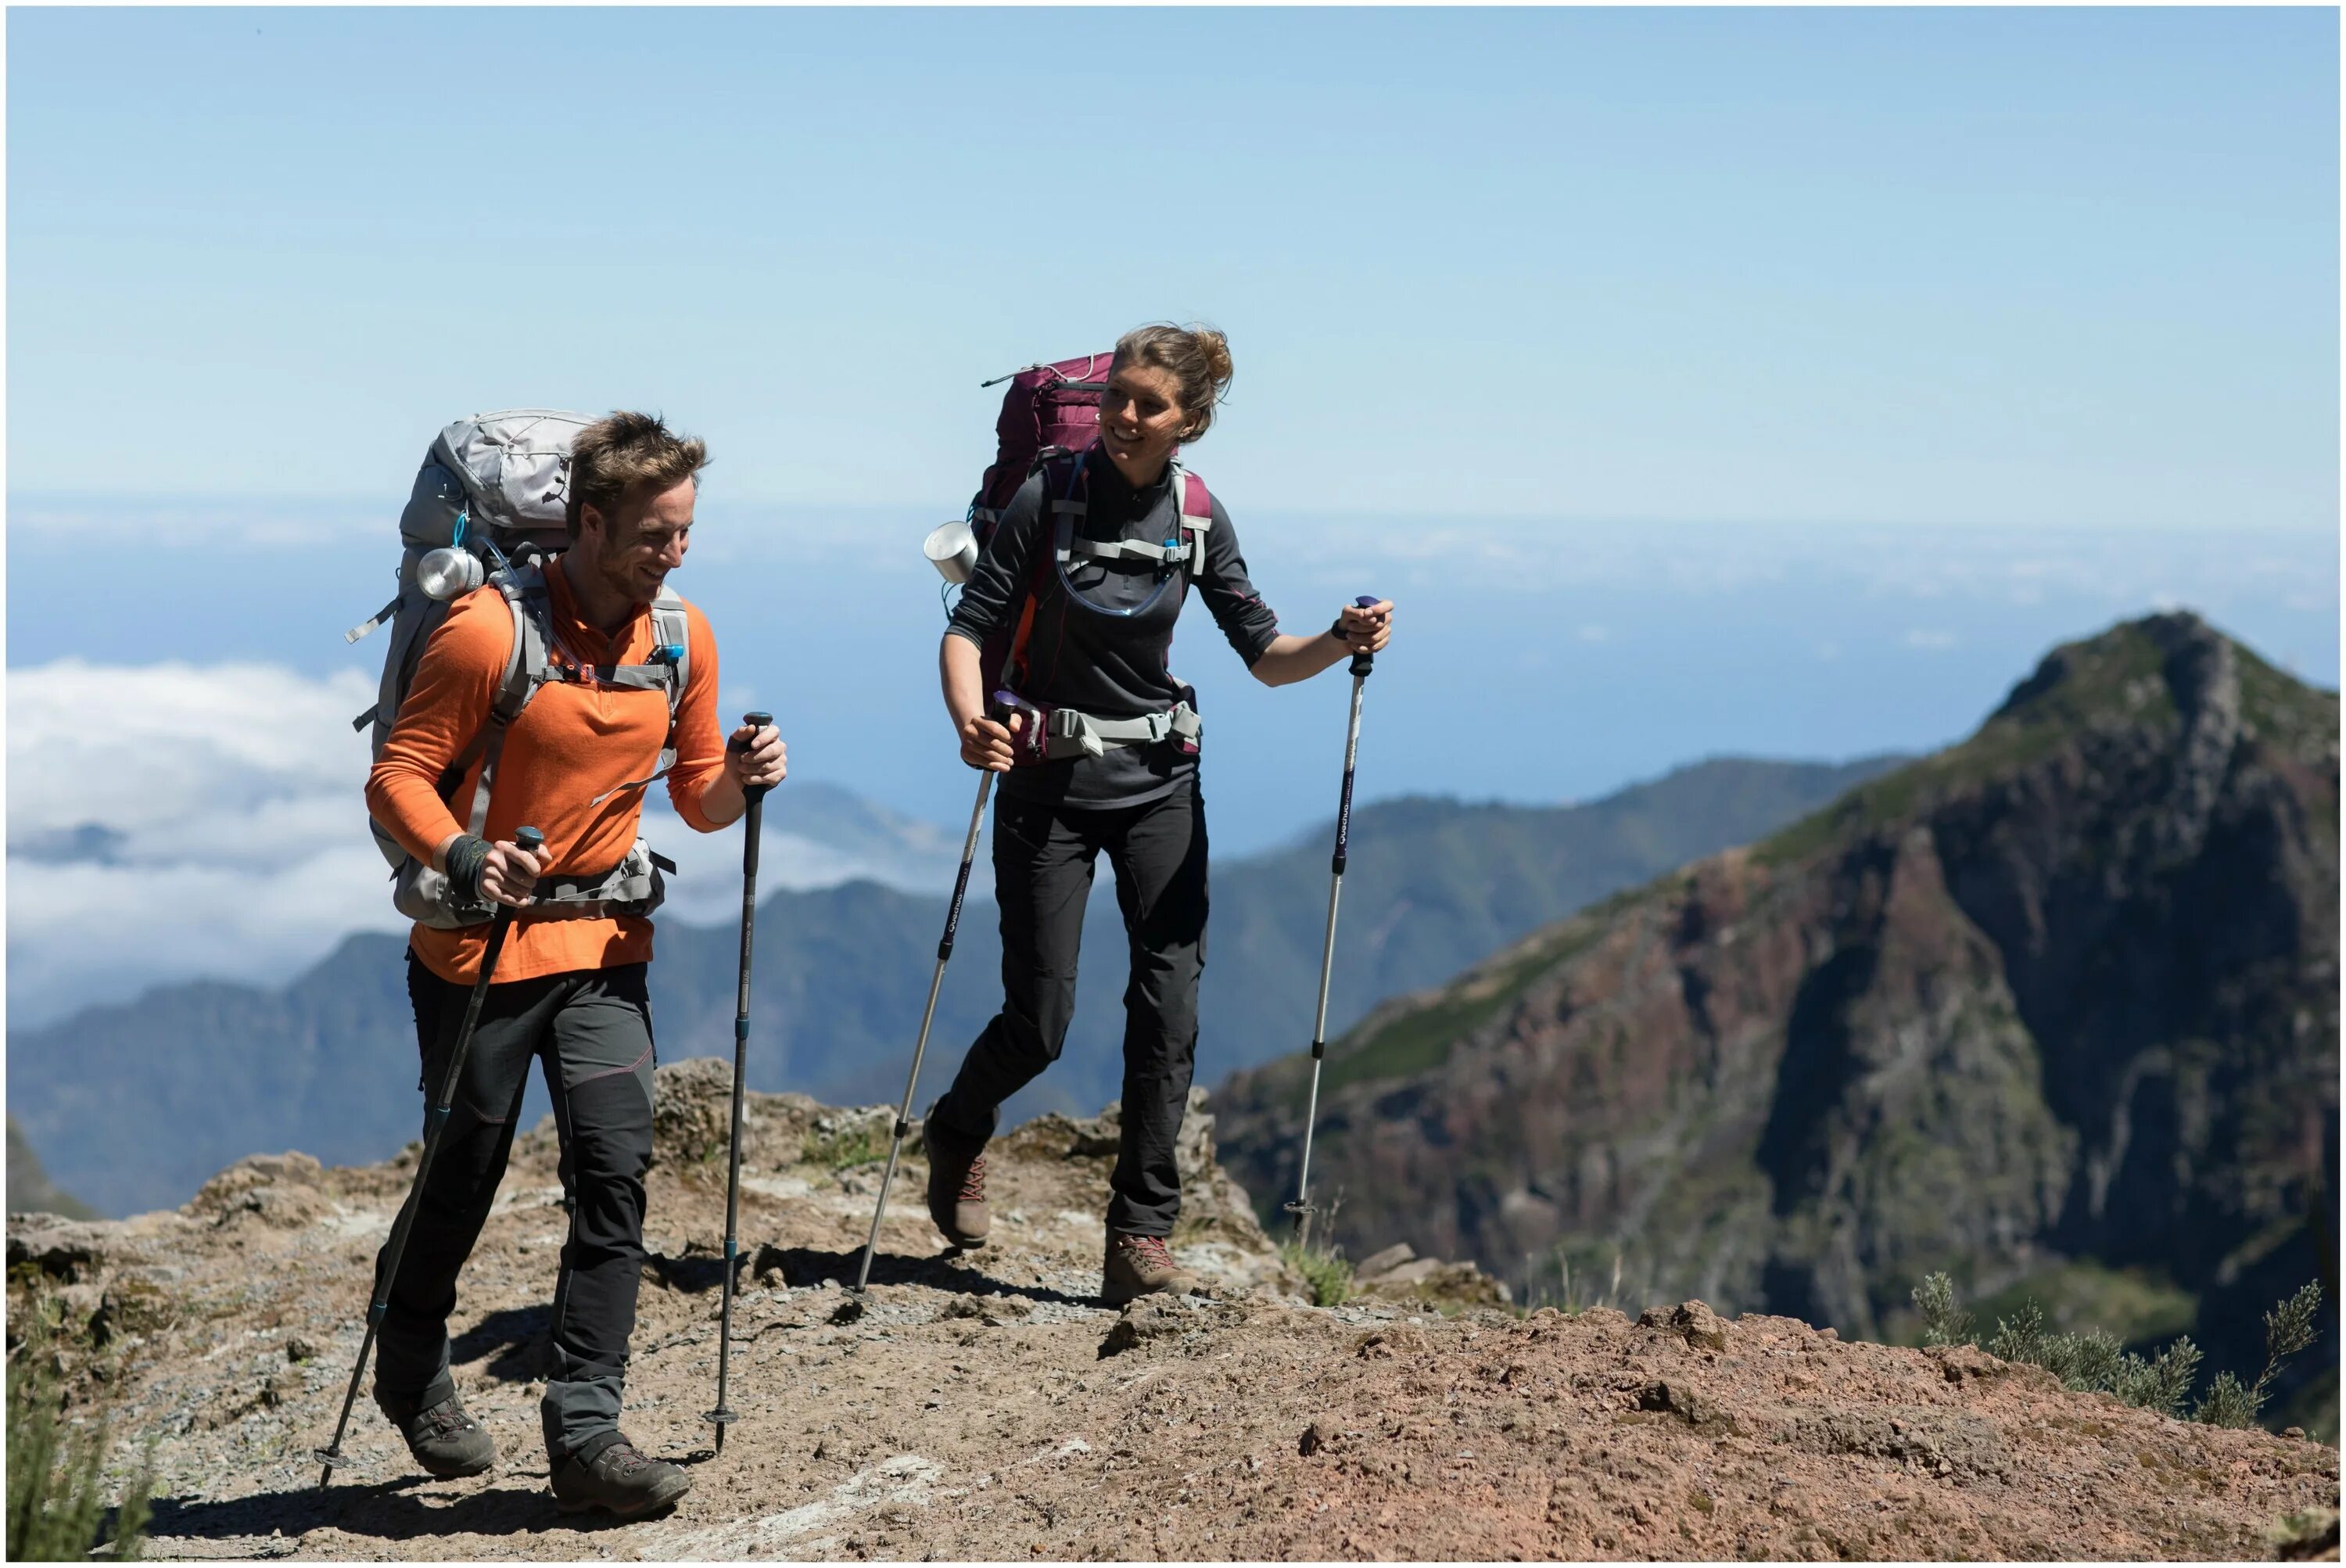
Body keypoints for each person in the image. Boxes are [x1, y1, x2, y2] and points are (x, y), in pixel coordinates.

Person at [363, 411, 785, 1516]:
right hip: (478, 952)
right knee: (465, 1172)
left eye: (684, 531)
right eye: (653, 534)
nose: (673, 554)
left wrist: (745, 775)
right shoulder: (486, 633)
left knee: (615, 1171)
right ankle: (408, 1353)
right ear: (588, 523)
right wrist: (466, 854)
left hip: (604, 948)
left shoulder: (681, 638)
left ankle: (586, 1430)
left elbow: (698, 798)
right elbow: (397, 777)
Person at [923, 323, 1395, 1305]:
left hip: (1159, 783)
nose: (1125, 416)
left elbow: (1265, 655)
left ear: (1192, 421)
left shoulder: (1197, 515)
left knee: (1168, 1010)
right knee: (1039, 1021)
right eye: (1118, 397)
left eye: (1150, 404)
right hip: (1046, 782)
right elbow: (970, 628)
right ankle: (958, 1127)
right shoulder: (1048, 494)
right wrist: (972, 723)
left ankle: (1140, 1233)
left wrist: (1339, 640)